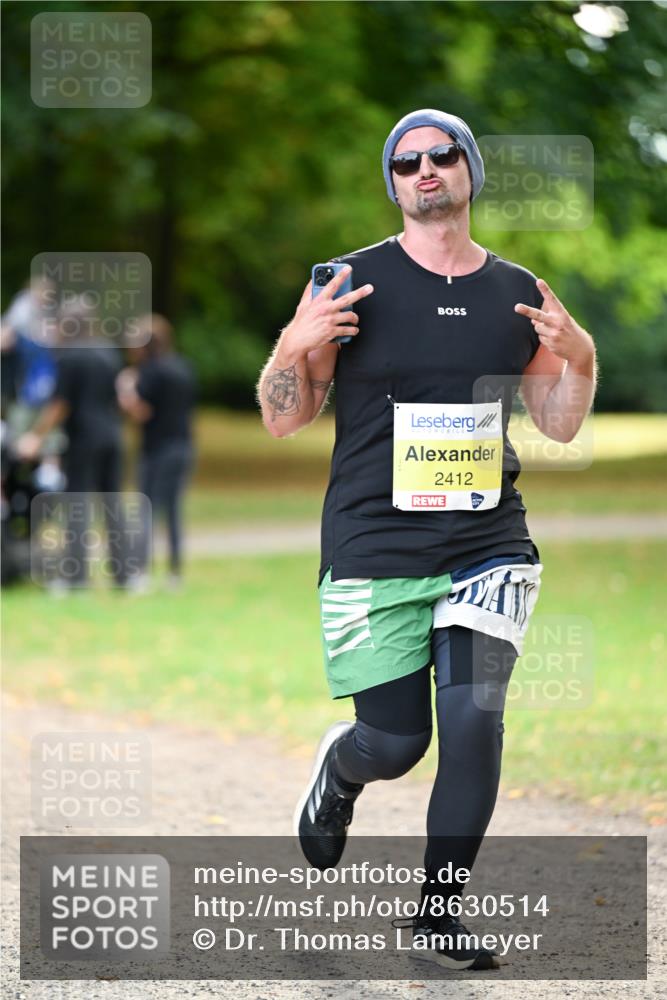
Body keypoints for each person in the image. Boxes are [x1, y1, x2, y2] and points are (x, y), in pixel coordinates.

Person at [257, 109, 596, 971]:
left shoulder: (517, 290)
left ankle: (438, 916)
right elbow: (282, 419)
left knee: (475, 721)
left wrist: (581, 359)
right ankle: (344, 769)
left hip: (488, 540)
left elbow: (557, 426)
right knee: (397, 743)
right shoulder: (349, 283)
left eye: (442, 156)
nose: (425, 170)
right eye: (405, 163)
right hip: (374, 543)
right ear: (394, 183)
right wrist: (294, 345)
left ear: (469, 170)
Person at [16, 296, 127, 588]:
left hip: (84, 439)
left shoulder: (69, 355)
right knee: (112, 505)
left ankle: (76, 578)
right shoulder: (108, 351)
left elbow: (59, 405)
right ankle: (125, 576)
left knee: (77, 505)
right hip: (113, 436)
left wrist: (34, 437)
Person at [116, 314, 196, 589]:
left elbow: (142, 412)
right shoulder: (183, 367)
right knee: (173, 510)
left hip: (157, 448)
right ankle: (175, 573)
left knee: (147, 509)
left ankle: (142, 573)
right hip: (183, 446)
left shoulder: (149, 372)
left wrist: (125, 390)